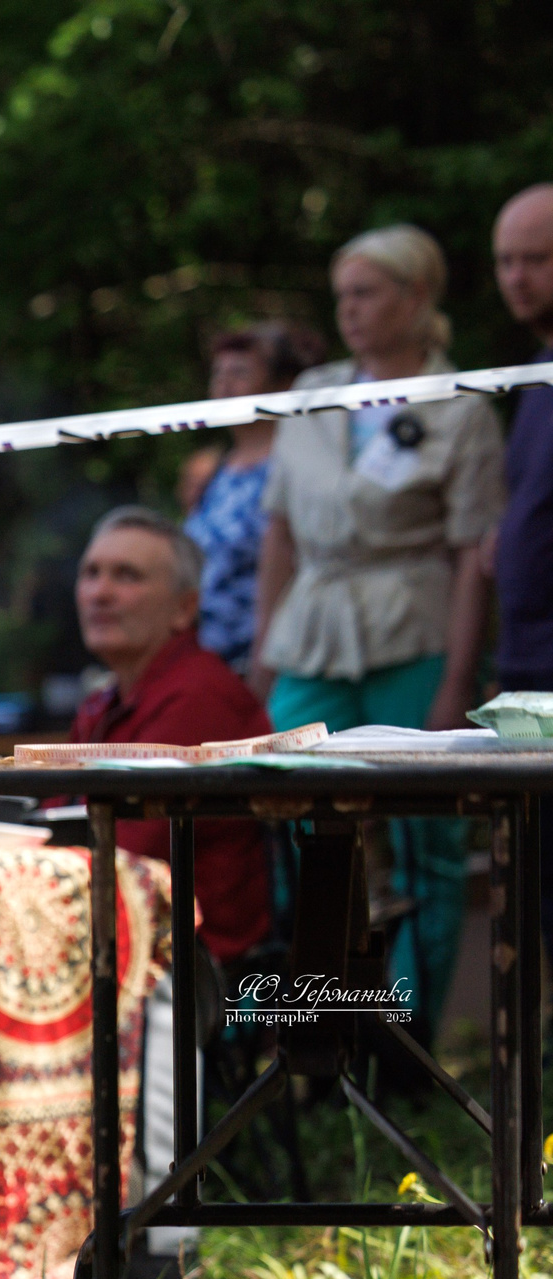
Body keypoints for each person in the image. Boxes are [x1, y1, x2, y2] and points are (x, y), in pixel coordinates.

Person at [251, 225, 507, 1040]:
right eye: (342, 297)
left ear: (416, 298)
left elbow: (475, 553)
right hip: (313, 626)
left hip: (416, 623)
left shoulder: (461, 405)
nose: (350, 311)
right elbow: (279, 533)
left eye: (366, 294)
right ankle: (321, 1029)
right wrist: (263, 650)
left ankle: (410, 1040)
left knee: (423, 835)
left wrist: (456, 679)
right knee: (298, 813)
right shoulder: (315, 390)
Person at [70, 508, 271, 959]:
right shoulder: (104, 701)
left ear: (185, 608)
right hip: (116, 935)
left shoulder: (200, 697)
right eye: (91, 573)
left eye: (127, 576)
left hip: (187, 970)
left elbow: (124, 856)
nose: (100, 593)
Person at [178, 322, 322, 675]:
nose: (224, 385)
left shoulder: (299, 467)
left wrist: (264, 665)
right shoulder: (214, 473)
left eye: (239, 373)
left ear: (282, 386)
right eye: (218, 373)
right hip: (209, 660)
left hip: (277, 661)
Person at [489, 185, 553, 697]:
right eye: (506, 261)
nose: (517, 277)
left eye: (536, 259)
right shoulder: (534, 376)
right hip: (525, 657)